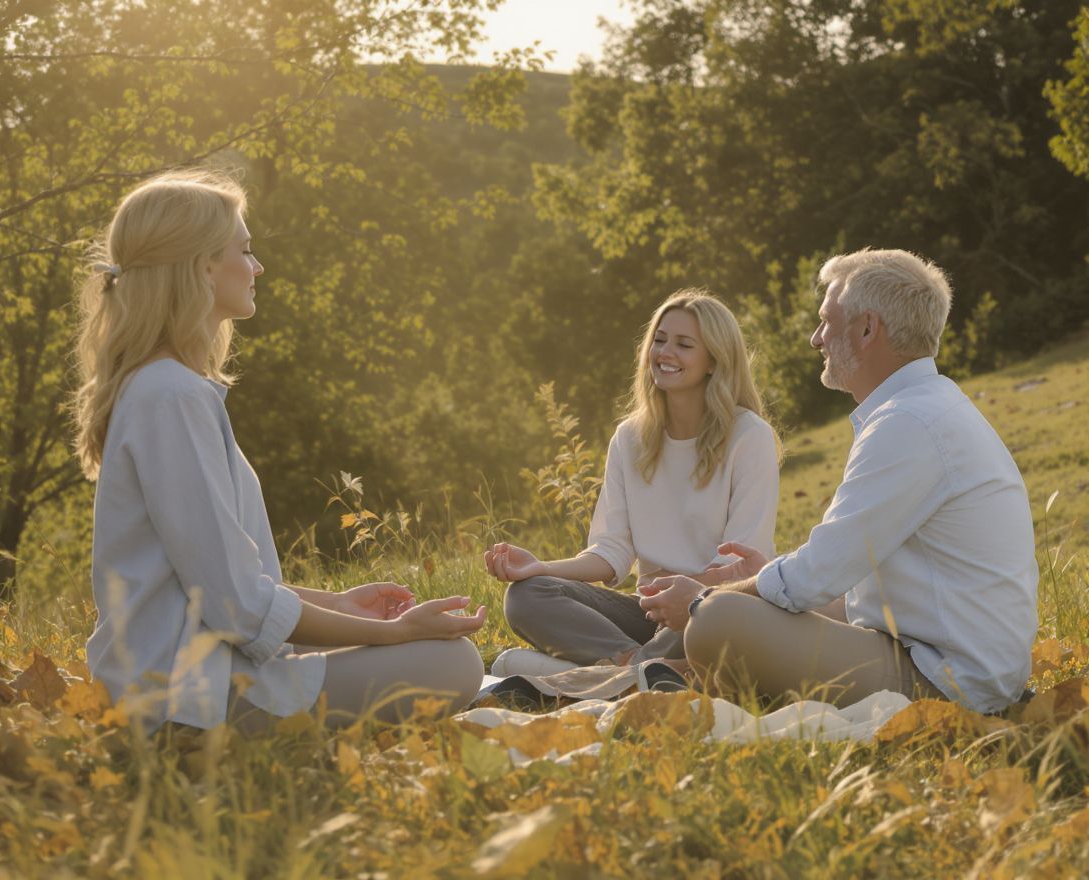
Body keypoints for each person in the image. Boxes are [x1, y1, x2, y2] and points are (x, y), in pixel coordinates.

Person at [73, 170, 485, 733]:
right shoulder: (170, 396)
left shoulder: (166, 390)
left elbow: (216, 581)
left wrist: (338, 604)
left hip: (193, 679)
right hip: (187, 701)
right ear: (203, 267)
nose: (258, 266)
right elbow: (235, 605)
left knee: (445, 658)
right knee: (452, 663)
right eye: (244, 250)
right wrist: (392, 633)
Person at [639, 249, 1038, 714]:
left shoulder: (908, 423)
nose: (816, 338)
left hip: (950, 682)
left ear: (867, 329)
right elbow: (847, 579)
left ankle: (698, 676)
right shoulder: (927, 407)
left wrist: (703, 597)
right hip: (943, 658)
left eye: (827, 321)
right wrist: (759, 581)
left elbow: (815, 577)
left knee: (714, 620)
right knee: (731, 610)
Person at [485, 290, 781, 670]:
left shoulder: (749, 436)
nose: (665, 353)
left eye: (684, 344)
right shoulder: (629, 438)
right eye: (660, 340)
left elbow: (740, 567)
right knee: (527, 596)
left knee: (714, 611)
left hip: (713, 606)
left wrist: (682, 587)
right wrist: (540, 568)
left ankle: (616, 673)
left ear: (714, 360)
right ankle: (638, 669)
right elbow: (611, 552)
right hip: (651, 612)